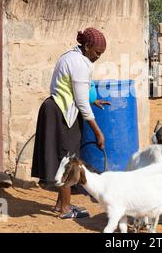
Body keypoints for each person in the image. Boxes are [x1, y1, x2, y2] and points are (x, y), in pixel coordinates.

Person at [31, 27, 111, 219]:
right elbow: (81, 103)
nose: (98, 56)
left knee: (65, 158)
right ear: (86, 46)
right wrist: (98, 132)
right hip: (61, 114)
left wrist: (93, 100)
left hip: (57, 109)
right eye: (97, 53)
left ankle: (61, 205)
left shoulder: (72, 56)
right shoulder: (79, 63)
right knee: (67, 161)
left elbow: (75, 92)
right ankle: (66, 209)